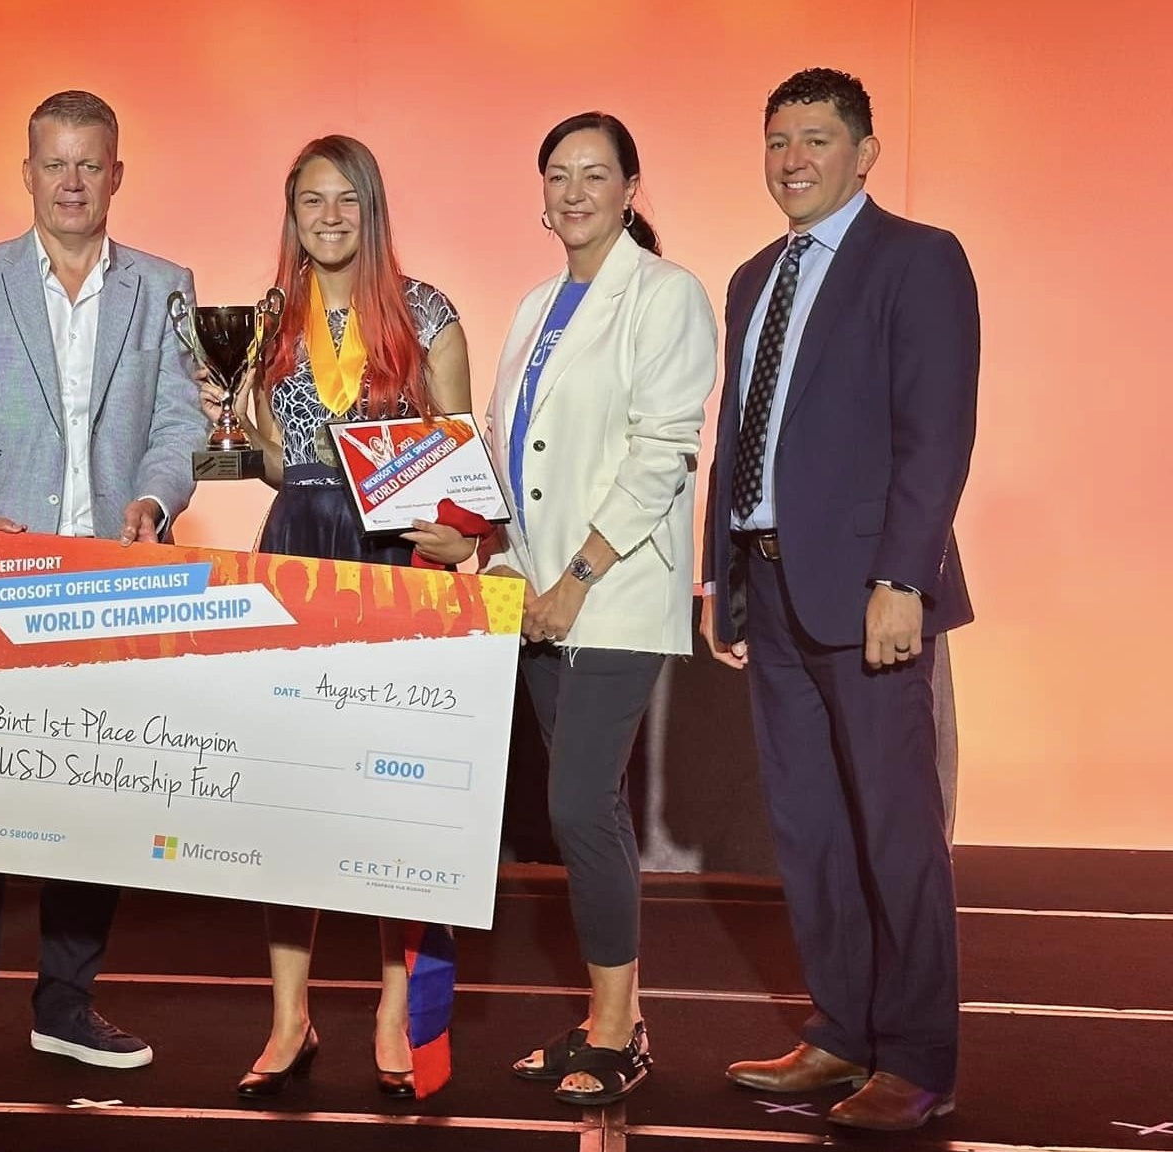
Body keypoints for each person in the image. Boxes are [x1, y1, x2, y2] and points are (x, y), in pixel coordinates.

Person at [0, 89, 206, 1114]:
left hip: (113, 580)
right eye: (54, 163)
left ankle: (65, 1004)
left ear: (117, 174)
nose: (72, 181)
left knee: (95, 801)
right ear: (26, 172)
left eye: (89, 163)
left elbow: (179, 425)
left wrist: (155, 500)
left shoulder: (165, 286)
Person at [701, 69, 978, 1133]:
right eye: (777, 140)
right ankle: (841, 1033)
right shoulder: (751, 278)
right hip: (766, 585)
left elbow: (935, 436)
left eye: (815, 138)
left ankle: (916, 1058)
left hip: (869, 592)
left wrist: (903, 579)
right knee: (809, 827)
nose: (792, 159)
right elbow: (738, 436)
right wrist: (719, 577)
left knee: (896, 833)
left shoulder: (918, 259)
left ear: (863, 154)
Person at [203, 134, 473, 1101]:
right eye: (310, 200)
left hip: (391, 557)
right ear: (292, 213)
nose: (328, 217)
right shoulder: (269, 321)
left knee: (387, 799)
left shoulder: (428, 313)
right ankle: (290, 1018)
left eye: (345, 199)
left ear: (372, 208)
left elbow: (456, 461)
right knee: (292, 796)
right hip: (298, 548)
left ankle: (395, 1012)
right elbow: (281, 461)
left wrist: (455, 537)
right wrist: (233, 422)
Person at [482, 113, 717, 1107]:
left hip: (609, 594)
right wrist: (505, 565)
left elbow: (663, 454)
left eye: (593, 174)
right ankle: (602, 1014)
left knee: (580, 804)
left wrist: (575, 578)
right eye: (557, 175)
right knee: (582, 810)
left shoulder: (665, 295)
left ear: (628, 189)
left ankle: (619, 1030)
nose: (573, 191)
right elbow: (512, 456)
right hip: (538, 600)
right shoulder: (535, 306)